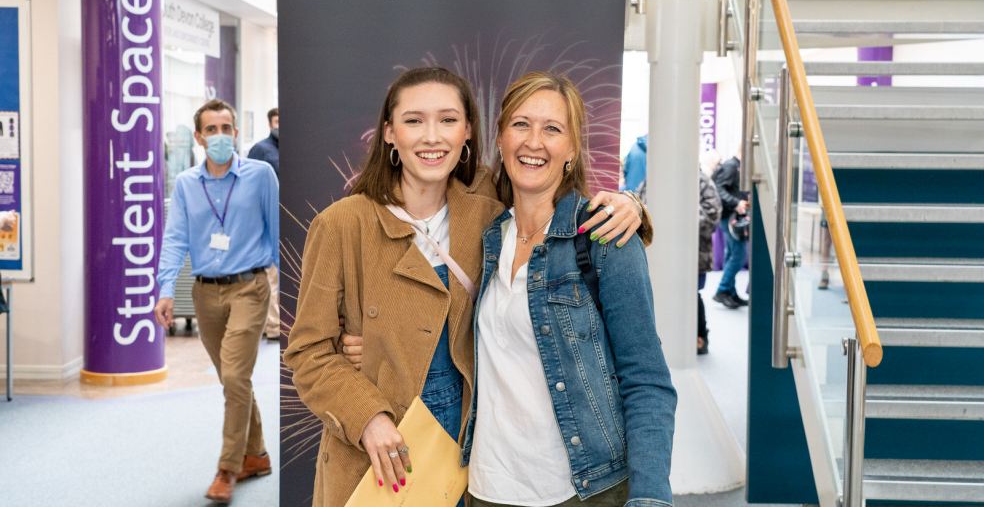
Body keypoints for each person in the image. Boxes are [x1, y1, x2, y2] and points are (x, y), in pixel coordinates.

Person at [284, 67, 644, 507]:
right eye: (414, 121)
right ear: (389, 134)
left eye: (448, 120)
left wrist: (631, 204)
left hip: (469, 458)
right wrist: (367, 418)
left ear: (469, 132)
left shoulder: (489, 209)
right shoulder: (342, 225)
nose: (431, 137)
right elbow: (307, 351)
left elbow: (557, 197)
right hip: (378, 455)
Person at [460, 72, 674, 507]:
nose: (534, 142)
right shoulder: (483, 238)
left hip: (583, 492)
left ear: (572, 149)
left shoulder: (604, 237)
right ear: (500, 139)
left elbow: (647, 381)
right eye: (521, 124)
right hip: (487, 489)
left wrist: (650, 497)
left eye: (552, 129)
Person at [154, 99, 279, 504]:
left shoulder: (261, 175)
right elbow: (174, 239)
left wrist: (294, 293)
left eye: (227, 128)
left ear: (236, 133)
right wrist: (165, 290)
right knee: (233, 378)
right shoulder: (188, 184)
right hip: (205, 292)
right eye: (212, 130)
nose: (221, 136)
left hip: (249, 287)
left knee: (234, 378)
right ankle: (257, 454)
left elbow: (276, 233)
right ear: (198, 137)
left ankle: (228, 468)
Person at [247, 107, 281, 341]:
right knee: (272, 276)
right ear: (270, 123)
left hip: (286, 218)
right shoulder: (261, 150)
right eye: (277, 121)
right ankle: (274, 326)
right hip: (266, 222)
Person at [711, 151, 750, 309]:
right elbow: (719, 189)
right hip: (729, 217)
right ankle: (723, 289)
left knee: (732, 254)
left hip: (730, 216)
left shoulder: (735, 166)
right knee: (739, 254)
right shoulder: (731, 166)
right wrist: (736, 203)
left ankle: (730, 292)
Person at [698, 169, 722, 355]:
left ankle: (700, 337)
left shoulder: (703, 181)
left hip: (695, 254)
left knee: (692, 295)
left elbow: (713, 215)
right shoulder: (656, 178)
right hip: (661, 255)